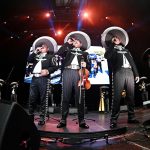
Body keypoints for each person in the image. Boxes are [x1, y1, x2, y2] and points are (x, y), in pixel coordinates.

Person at [56, 31, 91, 129]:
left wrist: (86, 65)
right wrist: (68, 42)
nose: (76, 42)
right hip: (67, 72)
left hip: (79, 73)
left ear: (81, 44)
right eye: (74, 40)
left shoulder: (85, 53)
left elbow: (90, 67)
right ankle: (63, 120)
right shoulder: (68, 50)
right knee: (65, 96)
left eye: (78, 41)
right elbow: (59, 53)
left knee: (80, 98)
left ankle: (82, 121)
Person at [104, 34, 140, 128]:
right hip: (119, 73)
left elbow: (132, 62)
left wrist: (136, 74)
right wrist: (112, 44)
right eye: (114, 38)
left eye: (117, 38)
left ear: (120, 40)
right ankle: (113, 120)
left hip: (129, 72)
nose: (116, 39)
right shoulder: (112, 50)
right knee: (117, 97)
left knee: (131, 96)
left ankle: (131, 117)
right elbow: (107, 56)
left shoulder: (126, 50)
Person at [27, 37, 58, 126]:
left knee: (43, 99)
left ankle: (42, 118)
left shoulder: (50, 56)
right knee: (32, 98)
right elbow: (29, 60)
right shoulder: (36, 56)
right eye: (41, 46)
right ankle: (30, 116)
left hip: (44, 79)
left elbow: (55, 67)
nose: (42, 47)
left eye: (44, 46)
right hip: (34, 79)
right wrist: (35, 51)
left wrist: (47, 71)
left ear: (48, 49)